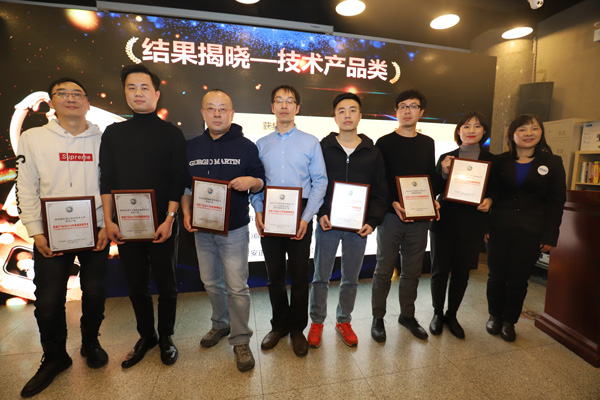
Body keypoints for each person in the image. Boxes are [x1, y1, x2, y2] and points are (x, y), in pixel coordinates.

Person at [16, 78, 110, 397]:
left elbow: (112, 185)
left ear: (87, 102)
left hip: (95, 230)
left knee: (94, 291)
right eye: (62, 94)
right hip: (51, 234)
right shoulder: (33, 138)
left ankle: (90, 342)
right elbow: (26, 186)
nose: (71, 99)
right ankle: (55, 357)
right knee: (48, 301)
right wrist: (35, 230)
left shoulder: (103, 139)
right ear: (51, 102)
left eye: (77, 94)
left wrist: (107, 224)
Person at [99, 64, 187, 367]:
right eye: (131, 88)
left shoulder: (172, 134)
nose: (138, 93)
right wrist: (109, 221)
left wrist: (170, 219)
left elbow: (178, 180)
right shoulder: (113, 133)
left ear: (157, 94)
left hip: (163, 223)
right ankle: (147, 335)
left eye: (144, 87)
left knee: (167, 284)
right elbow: (107, 179)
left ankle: (166, 337)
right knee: (136, 284)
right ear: (125, 93)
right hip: (126, 225)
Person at [181, 89, 265, 372]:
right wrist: (186, 212)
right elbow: (185, 186)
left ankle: (241, 340)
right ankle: (220, 323)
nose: (217, 114)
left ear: (231, 114)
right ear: (203, 113)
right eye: (211, 108)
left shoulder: (246, 146)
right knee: (210, 282)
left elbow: (261, 181)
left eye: (222, 109)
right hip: (202, 230)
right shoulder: (191, 146)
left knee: (237, 287)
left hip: (234, 230)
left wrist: (251, 181)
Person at [251, 85, 327, 357]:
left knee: (299, 276)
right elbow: (257, 183)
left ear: (298, 107)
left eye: (290, 101)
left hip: (300, 213)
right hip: (270, 213)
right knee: (274, 276)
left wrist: (307, 218)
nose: (284, 106)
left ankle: (297, 329)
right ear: (272, 107)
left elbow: (320, 182)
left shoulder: (310, 142)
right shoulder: (261, 144)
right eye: (279, 101)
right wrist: (258, 210)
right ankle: (279, 325)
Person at [307, 92, 387, 348]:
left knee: (350, 277)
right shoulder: (323, 148)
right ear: (335, 117)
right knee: (321, 276)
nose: (347, 115)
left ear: (360, 116)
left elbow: (380, 190)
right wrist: (320, 213)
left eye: (352, 110)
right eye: (341, 111)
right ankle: (317, 321)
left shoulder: (373, 152)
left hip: (357, 228)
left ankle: (344, 320)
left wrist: (372, 221)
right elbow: (315, 183)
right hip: (328, 224)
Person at [485, 114, 566, 342]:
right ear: (512, 134)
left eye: (534, 128)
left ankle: (509, 321)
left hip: (532, 230)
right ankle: (494, 316)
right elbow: (491, 193)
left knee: (519, 279)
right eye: (522, 129)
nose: (528, 133)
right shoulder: (500, 161)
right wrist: (485, 226)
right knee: (496, 276)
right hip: (498, 227)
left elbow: (556, 201)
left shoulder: (553, 163)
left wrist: (550, 235)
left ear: (541, 132)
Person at [370, 89, 439, 342]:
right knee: (383, 269)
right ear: (396, 111)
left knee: (412, 271)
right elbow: (379, 180)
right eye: (403, 106)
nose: (407, 111)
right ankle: (378, 317)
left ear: (421, 111)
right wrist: (393, 202)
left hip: (420, 218)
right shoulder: (384, 142)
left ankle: (407, 315)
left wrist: (433, 199)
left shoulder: (428, 142)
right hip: (391, 216)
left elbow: (428, 178)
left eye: (413, 106)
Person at [428, 111, 495, 339]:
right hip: (444, 222)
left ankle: (452, 315)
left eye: (477, 126)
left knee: (461, 273)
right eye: (466, 126)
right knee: (439, 271)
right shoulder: (447, 157)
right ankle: (437, 314)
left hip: (472, 225)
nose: (471, 130)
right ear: (458, 131)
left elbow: (497, 191)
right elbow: (435, 189)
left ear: (484, 131)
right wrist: (444, 172)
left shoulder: (492, 160)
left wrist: (490, 200)